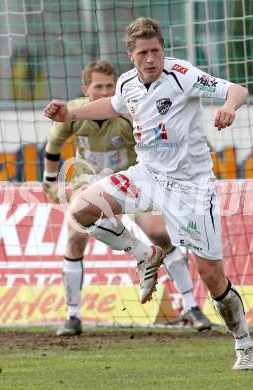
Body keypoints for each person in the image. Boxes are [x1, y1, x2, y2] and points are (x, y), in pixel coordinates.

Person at [44, 17, 253, 370]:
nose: (150, 58)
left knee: (212, 278)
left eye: (155, 50)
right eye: (142, 52)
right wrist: (71, 113)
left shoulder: (182, 74)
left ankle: (244, 343)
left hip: (191, 187)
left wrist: (229, 107)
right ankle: (145, 254)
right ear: (132, 55)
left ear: (162, 49)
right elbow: (112, 106)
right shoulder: (128, 83)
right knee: (81, 210)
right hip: (147, 175)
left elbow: (237, 89)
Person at [43, 59, 211, 336]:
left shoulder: (128, 113)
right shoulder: (73, 112)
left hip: (132, 181)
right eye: (99, 86)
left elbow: (157, 144)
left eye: (110, 86)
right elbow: (52, 149)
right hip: (92, 182)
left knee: (160, 234)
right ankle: (72, 315)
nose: (106, 91)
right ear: (86, 88)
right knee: (74, 237)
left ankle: (191, 306)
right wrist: (50, 181)